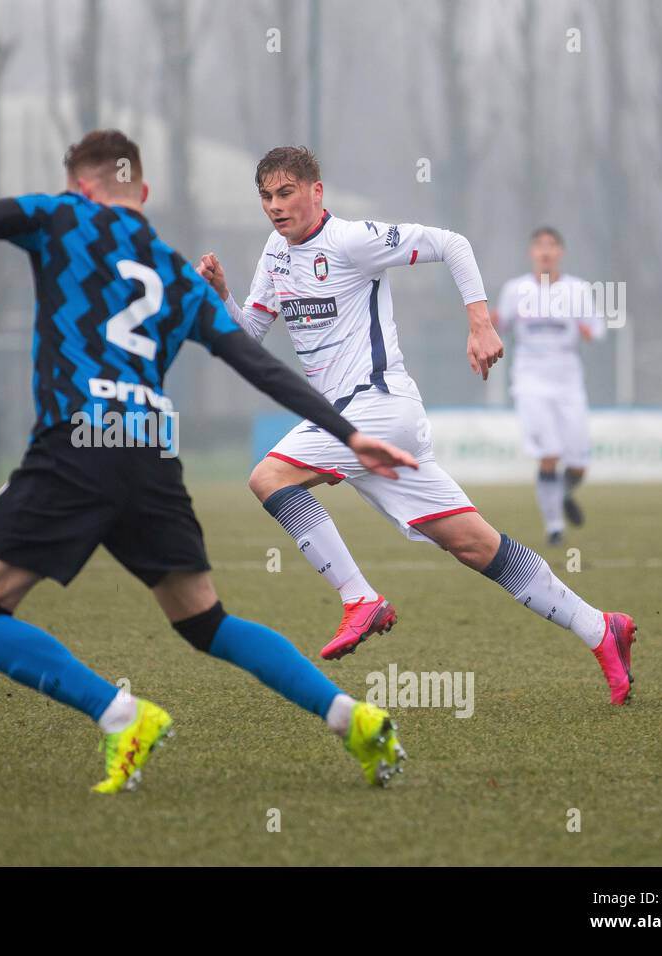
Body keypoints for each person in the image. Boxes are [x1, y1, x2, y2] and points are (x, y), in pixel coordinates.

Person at [0, 129, 420, 791]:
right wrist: (347, 431)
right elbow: (254, 363)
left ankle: (119, 713)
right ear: (146, 193)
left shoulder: (61, 215)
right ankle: (350, 716)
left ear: (81, 186)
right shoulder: (171, 268)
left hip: (79, 445)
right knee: (205, 620)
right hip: (151, 455)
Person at [197, 146, 635, 705]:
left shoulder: (352, 241)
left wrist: (480, 324)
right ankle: (601, 629)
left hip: (376, 405)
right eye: (266, 197)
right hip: (359, 425)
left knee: (268, 477)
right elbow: (249, 335)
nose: (275, 207)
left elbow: (452, 243)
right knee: (476, 546)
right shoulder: (276, 253)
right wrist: (223, 298)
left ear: (316, 191)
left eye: (286, 193)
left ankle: (360, 599)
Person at [492, 227, 606, 545]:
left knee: (579, 463)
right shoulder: (515, 290)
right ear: (531, 252)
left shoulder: (578, 289)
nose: (545, 251)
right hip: (530, 379)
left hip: (568, 380)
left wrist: (588, 331)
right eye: (539, 245)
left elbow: (597, 329)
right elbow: (499, 326)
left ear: (560, 252)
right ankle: (554, 525)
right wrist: (490, 322)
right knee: (549, 454)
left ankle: (564, 494)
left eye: (551, 245)